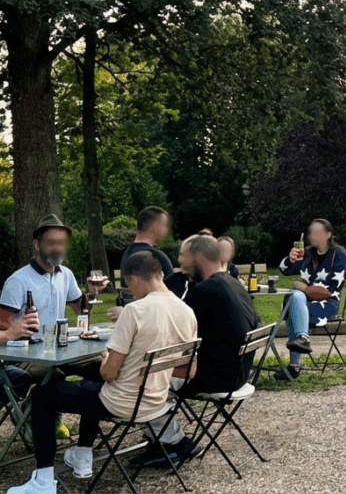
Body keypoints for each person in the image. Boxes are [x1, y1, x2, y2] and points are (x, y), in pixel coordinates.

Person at [7, 252, 197, 494]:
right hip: (157, 402)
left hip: (122, 404)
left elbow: (109, 374)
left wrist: (107, 358)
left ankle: (43, 482)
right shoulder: (186, 311)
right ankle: (82, 454)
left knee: (44, 395)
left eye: (129, 286)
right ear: (160, 274)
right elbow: (187, 371)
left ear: (133, 280)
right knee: (90, 381)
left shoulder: (135, 311)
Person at [128, 236, 259, 470]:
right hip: (237, 373)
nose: (179, 263)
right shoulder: (233, 285)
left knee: (143, 379)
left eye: (182, 256)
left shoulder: (205, 290)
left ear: (198, 257)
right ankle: (161, 439)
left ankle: (173, 444)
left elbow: (171, 331)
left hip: (215, 378)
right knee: (154, 372)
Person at [1, 215, 101, 441]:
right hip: (23, 352)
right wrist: (11, 332)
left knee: (101, 368)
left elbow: (81, 312)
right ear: (36, 245)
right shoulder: (18, 281)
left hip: (59, 347)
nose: (57, 248)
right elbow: (2, 328)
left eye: (61, 243)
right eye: (51, 243)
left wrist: (92, 293)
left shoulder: (65, 274)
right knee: (54, 375)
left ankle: (86, 438)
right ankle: (35, 416)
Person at [277, 219, 346, 380]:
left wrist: (303, 287)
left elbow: (330, 291)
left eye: (318, 232)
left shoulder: (339, 254)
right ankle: (303, 339)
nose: (312, 235)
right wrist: (290, 259)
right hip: (305, 305)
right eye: (311, 232)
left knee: (294, 301)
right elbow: (285, 271)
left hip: (327, 306)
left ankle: (295, 364)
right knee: (293, 299)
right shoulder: (307, 253)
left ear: (328, 234)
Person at [120, 207, 174, 280]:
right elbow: (175, 289)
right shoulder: (157, 257)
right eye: (164, 225)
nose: (167, 230)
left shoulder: (127, 254)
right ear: (155, 226)